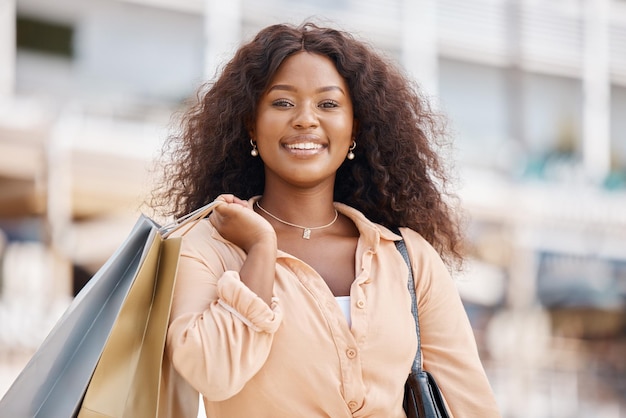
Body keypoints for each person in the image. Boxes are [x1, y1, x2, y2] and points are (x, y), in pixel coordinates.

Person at [155, 21, 501, 417]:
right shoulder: (205, 247)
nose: (305, 119)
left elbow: (472, 404)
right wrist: (260, 249)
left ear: (355, 126)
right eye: (282, 103)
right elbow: (212, 373)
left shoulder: (408, 258)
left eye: (328, 104)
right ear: (251, 123)